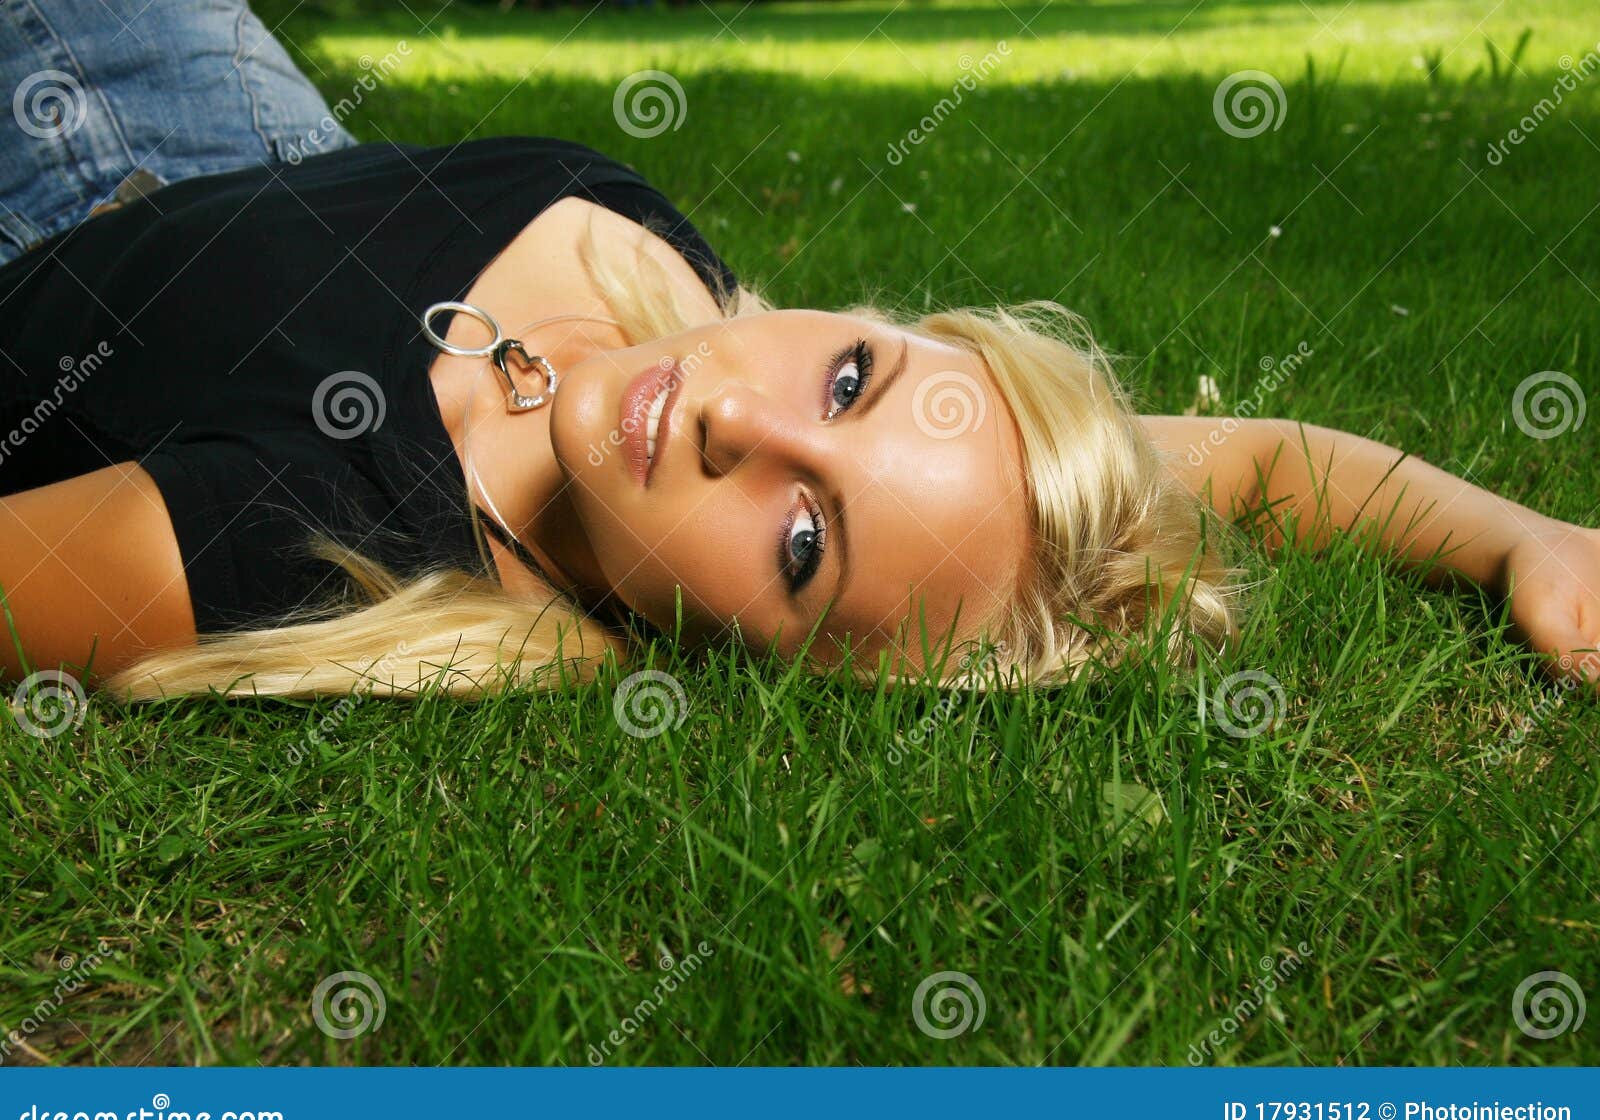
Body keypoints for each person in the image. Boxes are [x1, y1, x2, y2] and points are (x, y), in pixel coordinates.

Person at [1, 1, 1595, 702]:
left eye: (804, 538)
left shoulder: (310, 527)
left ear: (763, 661)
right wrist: (1525, 535)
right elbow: (1245, 453)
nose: (737, 424)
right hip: (227, 102)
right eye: (851, 382)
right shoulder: (674, 295)